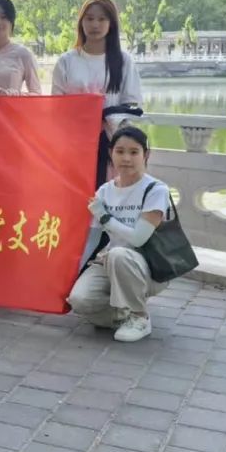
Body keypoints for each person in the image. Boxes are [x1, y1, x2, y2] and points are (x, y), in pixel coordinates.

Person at [68, 126, 170, 343]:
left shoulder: (155, 190)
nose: (126, 158)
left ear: (146, 154)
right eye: (120, 151)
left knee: (119, 255)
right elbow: (93, 238)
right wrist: (73, 272)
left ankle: (139, 316)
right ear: (111, 153)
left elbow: (138, 239)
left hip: (148, 265)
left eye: (134, 152)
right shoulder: (104, 191)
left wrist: (105, 217)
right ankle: (124, 314)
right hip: (109, 260)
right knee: (80, 301)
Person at [53, 0, 144, 187]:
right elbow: (56, 106)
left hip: (111, 141)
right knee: (75, 192)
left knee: (108, 194)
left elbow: (132, 104)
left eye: (102, 19)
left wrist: (106, 117)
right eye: (90, 18)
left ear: (111, 24)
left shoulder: (123, 61)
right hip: (74, 142)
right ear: (81, 22)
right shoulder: (66, 61)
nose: (95, 24)